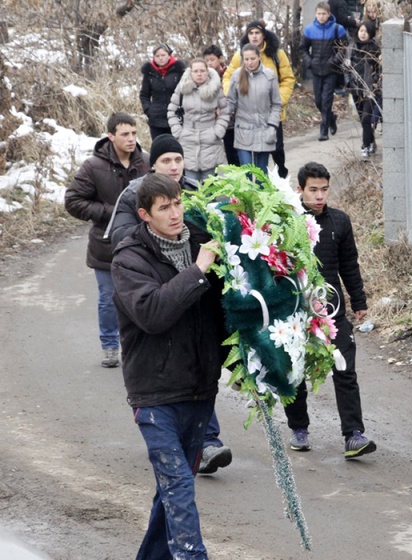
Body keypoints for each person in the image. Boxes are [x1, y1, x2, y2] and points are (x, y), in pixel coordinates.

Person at [104, 133, 234, 475]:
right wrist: (161, 256)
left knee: (177, 479)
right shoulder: (134, 199)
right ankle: (204, 444)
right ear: (153, 166)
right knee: (177, 482)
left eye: (178, 160)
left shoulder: (194, 202)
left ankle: (208, 442)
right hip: (155, 365)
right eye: (166, 161)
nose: (174, 166)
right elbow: (123, 242)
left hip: (195, 351)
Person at [111, 173, 225, 559]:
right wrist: (197, 271)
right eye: (165, 208)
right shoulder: (128, 259)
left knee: (171, 490)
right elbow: (153, 313)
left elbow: (221, 313)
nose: (175, 213)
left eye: (178, 203)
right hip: (155, 395)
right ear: (145, 214)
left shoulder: (201, 239)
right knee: (178, 486)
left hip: (199, 390)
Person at [284, 161, 376, 459]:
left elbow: (350, 264)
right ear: (300, 189)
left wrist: (359, 302)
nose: (319, 196)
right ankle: (299, 428)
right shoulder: (287, 221)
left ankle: (353, 434)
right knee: (295, 369)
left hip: (332, 309)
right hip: (295, 308)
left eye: (324, 189)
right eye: (313, 190)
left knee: (345, 368)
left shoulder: (340, 222)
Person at [64, 112, 150, 368]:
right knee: (109, 297)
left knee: (140, 295)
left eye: (134, 133)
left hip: (140, 243)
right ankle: (110, 346)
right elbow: (73, 201)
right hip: (106, 245)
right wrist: (110, 213)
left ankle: (137, 345)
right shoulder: (93, 166)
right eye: (125, 134)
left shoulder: (146, 162)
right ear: (111, 136)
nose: (131, 139)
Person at [222, 21, 295, 178]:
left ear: (264, 35)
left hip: (270, 114)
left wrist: (278, 100)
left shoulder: (276, 54)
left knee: (277, 151)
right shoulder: (239, 57)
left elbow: (288, 79)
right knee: (247, 165)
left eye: (257, 33)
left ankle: (280, 178)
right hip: (246, 117)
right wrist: (232, 92)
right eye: (251, 33)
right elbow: (228, 76)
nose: (254, 36)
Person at [167, 58, 230, 182]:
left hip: (210, 137)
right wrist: (178, 132)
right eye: (196, 71)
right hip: (187, 137)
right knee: (191, 185)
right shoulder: (182, 88)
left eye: (202, 71)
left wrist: (218, 131)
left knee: (210, 185)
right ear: (190, 73)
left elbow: (225, 111)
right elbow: (171, 111)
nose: (199, 74)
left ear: (208, 72)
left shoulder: (216, 89)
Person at [226, 43, 282, 175]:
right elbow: (230, 102)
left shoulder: (269, 76)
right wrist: (222, 119)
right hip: (243, 130)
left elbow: (276, 103)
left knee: (261, 174)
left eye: (252, 59)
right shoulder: (236, 76)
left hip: (264, 129)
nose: (250, 62)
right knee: (246, 174)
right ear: (242, 60)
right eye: (246, 59)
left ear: (259, 58)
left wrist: (272, 125)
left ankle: (263, 195)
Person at [299, 2, 349, 142]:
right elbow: (303, 48)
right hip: (316, 69)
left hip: (331, 70)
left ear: (329, 14)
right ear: (316, 14)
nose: (321, 17)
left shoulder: (337, 29)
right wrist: (309, 62)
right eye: (319, 14)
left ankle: (324, 129)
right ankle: (331, 118)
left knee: (327, 100)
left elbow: (343, 48)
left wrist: (334, 61)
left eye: (324, 14)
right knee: (318, 101)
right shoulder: (309, 30)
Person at [346, 21, 380, 158]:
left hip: (370, 89)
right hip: (355, 88)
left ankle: (365, 146)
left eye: (366, 31)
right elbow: (345, 68)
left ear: (370, 33)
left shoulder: (375, 48)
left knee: (366, 119)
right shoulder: (351, 47)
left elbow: (378, 69)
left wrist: (375, 83)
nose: (363, 33)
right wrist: (348, 82)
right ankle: (371, 141)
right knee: (362, 120)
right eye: (361, 30)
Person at [140, 44, 187, 140]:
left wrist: (182, 109)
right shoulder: (149, 72)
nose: (160, 58)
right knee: (159, 148)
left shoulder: (179, 70)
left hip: (176, 117)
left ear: (169, 55)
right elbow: (144, 95)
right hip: (156, 119)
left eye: (163, 55)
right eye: (157, 56)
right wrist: (149, 110)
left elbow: (185, 91)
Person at [203, 44, 239, 167]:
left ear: (221, 59)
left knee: (233, 154)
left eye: (212, 60)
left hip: (231, 120)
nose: (209, 63)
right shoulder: (203, 77)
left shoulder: (230, 74)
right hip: (212, 121)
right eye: (206, 60)